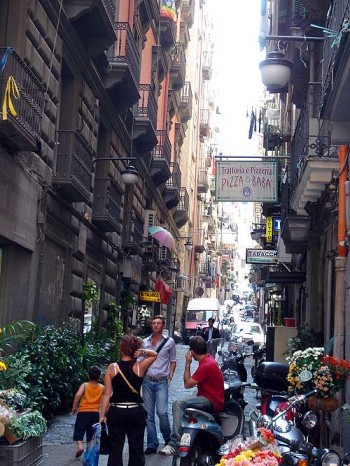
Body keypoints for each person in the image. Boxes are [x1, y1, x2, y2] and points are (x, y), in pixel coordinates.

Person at [159, 335, 224, 456]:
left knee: (178, 404)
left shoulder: (206, 365)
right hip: (210, 398)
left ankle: (174, 442)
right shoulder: (208, 360)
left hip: (210, 400)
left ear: (192, 352)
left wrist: (187, 363)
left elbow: (187, 384)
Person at [100, 334, 157, 466]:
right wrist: (143, 352)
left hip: (116, 412)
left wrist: (102, 415)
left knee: (115, 448)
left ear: (121, 348)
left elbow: (107, 394)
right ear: (135, 350)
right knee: (136, 449)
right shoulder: (140, 367)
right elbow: (154, 354)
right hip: (135, 411)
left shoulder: (112, 368)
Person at [142, 314, 177, 454]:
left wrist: (170, 376)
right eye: (154, 323)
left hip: (161, 381)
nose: (156, 325)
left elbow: (173, 360)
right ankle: (152, 443)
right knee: (148, 415)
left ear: (163, 326)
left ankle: (168, 438)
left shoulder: (169, 342)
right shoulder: (144, 342)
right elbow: (140, 360)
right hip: (147, 381)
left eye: (159, 323)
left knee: (162, 412)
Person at [72, 365, 104, 458]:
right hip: (95, 413)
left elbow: (78, 395)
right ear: (99, 377)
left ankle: (80, 446)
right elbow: (107, 398)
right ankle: (89, 452)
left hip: (83, 412)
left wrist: (74, 406)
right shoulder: (102, 387)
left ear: (88, 376)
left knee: (79, 429)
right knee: (91, 432)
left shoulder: (85, 385)